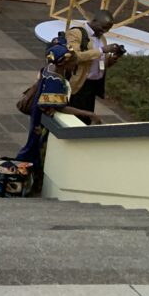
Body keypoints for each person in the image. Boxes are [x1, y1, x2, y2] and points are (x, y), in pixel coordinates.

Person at [16, 33, 101, 187]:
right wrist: (90, 114)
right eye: (72, 62)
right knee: (36, 148)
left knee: (33, 146)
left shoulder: (50, 67)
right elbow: (60, 107)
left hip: (37, 115)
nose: (74, 65)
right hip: (41, 122)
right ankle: (26, 178)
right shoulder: (55, 80)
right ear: (63, 64)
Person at [65, 9, 125, 125]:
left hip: (93, 86)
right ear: (94, 21)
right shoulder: (76, 33)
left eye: (108, 29)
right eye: (103, 27)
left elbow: (103, 63)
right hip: (79, 83)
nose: (104, 31)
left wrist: (114, 58)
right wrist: (102, 50)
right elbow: (74, 57)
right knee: (73, 119)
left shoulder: (101, 37)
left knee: (85, 120)